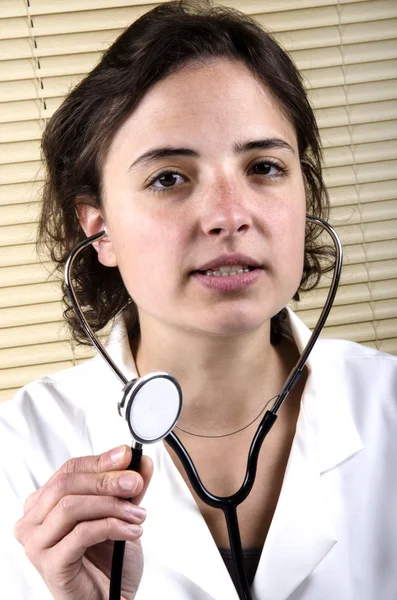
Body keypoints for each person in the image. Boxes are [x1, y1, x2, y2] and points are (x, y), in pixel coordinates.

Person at [0, 1, 396, 599]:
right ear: (99, 229)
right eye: (169, 178)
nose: (229, 216)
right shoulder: (19, 452)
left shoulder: (389, 407)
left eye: (264, 167)